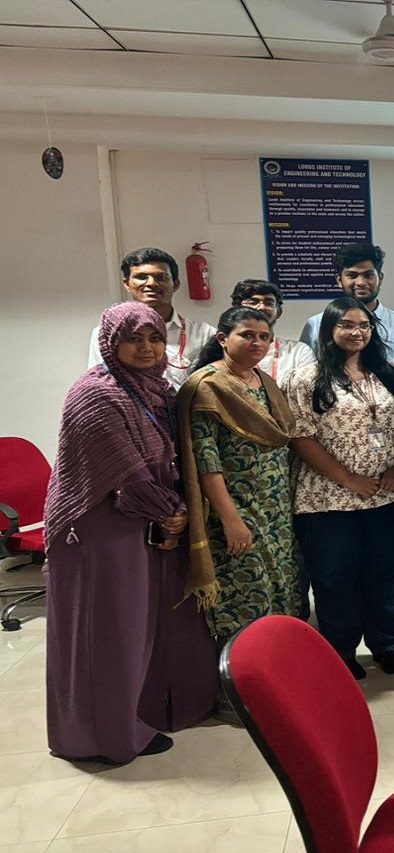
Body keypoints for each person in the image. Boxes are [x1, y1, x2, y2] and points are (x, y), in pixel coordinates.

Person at [45, 302, 217, 764]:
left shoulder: (158, 390)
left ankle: (142, 713)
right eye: (133, 339)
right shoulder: (95, 394)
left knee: (140, 627)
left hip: (146, 521)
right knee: (109, 631)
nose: (146, 348)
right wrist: (171, 511)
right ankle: (102, 738)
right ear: (110, 343)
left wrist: (178, 510)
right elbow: (128, 471)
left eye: (154, 338)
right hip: (100, 527)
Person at [285, 297, 394, 679]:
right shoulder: (305, 378)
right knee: (334, 578)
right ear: (329, 330)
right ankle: (341, 652)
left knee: (386, 573)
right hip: (327, 499)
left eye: (364, 325)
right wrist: (348, 479)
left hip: (389, 494)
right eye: (346, 325)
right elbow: (300, 436)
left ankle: (386, 644)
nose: (356, 332)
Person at [178, 307, 299, 662]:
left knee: (281, 589)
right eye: (247, 335)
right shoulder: (207, 387)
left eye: (264, 337)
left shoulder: (264, 382)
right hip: (234, 509)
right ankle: (241, 680)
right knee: (246, 595)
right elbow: (206, 460)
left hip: (275, 509)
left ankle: (278, 674)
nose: (257, 342)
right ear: (222, 339)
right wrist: (231, 520)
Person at [88, 247, 215, 391]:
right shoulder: (106, 335)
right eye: (141, 277)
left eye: (161, 277)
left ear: (176, 284)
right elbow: (100, 384)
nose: (151, 283)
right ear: (127, 284)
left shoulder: (204, 333)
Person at [300, 244, 394, 358]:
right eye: (352, 276)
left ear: (380, 278)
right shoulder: (316, 324)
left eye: (368, 275)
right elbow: (307, 367)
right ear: (339, 280)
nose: (361, 282)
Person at [230, 278, 316, 386]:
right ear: (237, 310)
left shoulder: (298, 351)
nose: (262, 307)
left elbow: (307, 390)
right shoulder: (227, 351)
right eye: (253, 302)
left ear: (279, 312)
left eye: (269, 303)